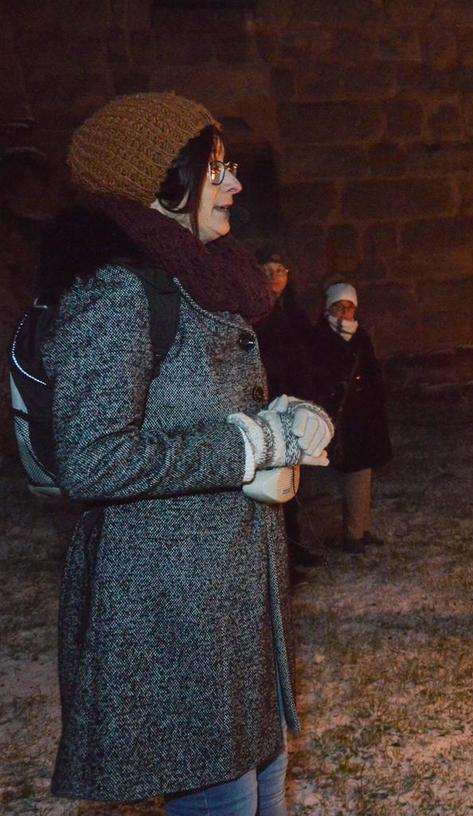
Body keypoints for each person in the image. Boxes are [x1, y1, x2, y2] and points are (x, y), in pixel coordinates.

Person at [44, 92, 334, 811]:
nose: (234, 184)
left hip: (230, 596)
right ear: (159, 180)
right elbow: (92, 457)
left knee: (263, 786)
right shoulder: (116, 293)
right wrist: (248, 442)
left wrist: (276, 419)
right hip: (168, 604)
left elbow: (190, 407)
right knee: (223, 795)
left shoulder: (199, 280)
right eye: (216, 169)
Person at [303, 282, 392, 555]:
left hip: (363, 415)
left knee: (361, 472)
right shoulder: (320, 337)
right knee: (352, 471)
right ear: (329, 308)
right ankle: (353, 533)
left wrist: (376, 404)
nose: (344, 313)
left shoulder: (360, 336)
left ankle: (358, 529)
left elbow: (372, 372)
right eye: (339, 307)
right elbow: (316, 375)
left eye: (349, 307)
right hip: (339, 417)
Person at [254, 252, 323, 570]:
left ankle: (293, 547)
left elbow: (307, 355)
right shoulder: (254, 312)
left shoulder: (294, 313)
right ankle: (273, 555)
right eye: (267, 270)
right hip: (265, 404)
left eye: (280, 270)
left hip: (292, 402)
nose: (274, 277)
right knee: (268, 481)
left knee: (293, 479)